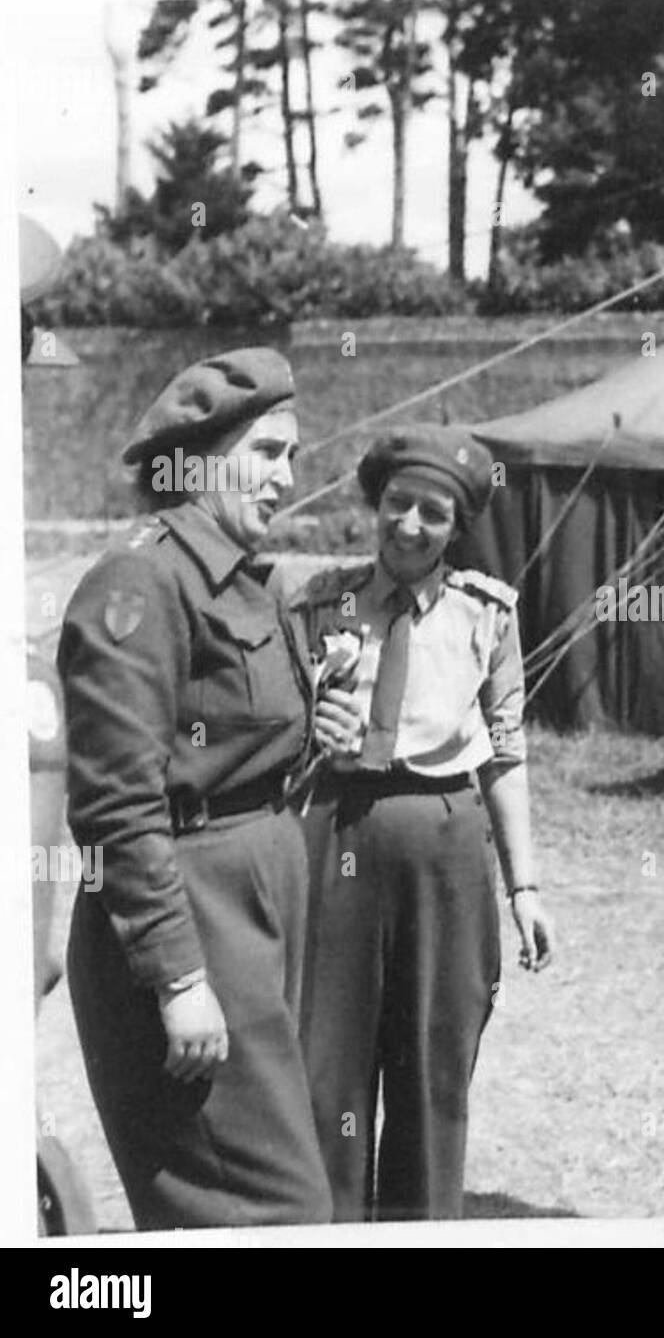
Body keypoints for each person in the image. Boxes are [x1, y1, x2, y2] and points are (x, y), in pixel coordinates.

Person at [57, 348, 332, 1230]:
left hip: (254, 911)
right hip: (192, 921)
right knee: (266, 1214)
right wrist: (178, 981)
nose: (287, 478)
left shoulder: (236, 576)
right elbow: (116, 804)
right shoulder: (138, 582)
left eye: (292, 456)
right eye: (269, 454)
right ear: (201, 459)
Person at [292, 427, 556, 1222]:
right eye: (397, 504)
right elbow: (279, 740)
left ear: (457, 526)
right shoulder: (318, 604)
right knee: (326, 1064)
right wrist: (312, 731)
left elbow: (505, 754)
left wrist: (526, 887)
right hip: (337, 838)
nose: (409, 526)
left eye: (432, 514)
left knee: (435, 1062)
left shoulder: (488, 616)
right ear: (375, 504)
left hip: (445, 844)